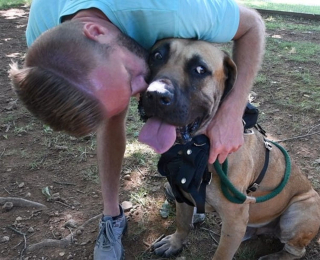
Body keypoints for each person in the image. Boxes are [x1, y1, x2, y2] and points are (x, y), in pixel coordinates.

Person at [9, 1, 265, 259]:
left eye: (129, 75)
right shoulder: (43, 45)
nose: (145, 88)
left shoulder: (177, 11)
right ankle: (112, 215)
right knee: (112, 108)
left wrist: (232, 112)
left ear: (97, 32)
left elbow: (252, 25)